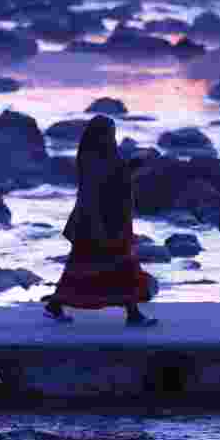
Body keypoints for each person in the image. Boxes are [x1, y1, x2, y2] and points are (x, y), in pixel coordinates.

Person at [43, 115, 158, 326]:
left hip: (105, 222)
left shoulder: (100, 156)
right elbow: (96, 190)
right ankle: (133, 314)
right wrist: (97, 225)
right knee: (120, 267)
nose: (110, 137)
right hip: (99, 224)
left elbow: (114, 177)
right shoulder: (94, 159)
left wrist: (131, 166)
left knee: (84, 269)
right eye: (107, 133)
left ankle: (55, 305)